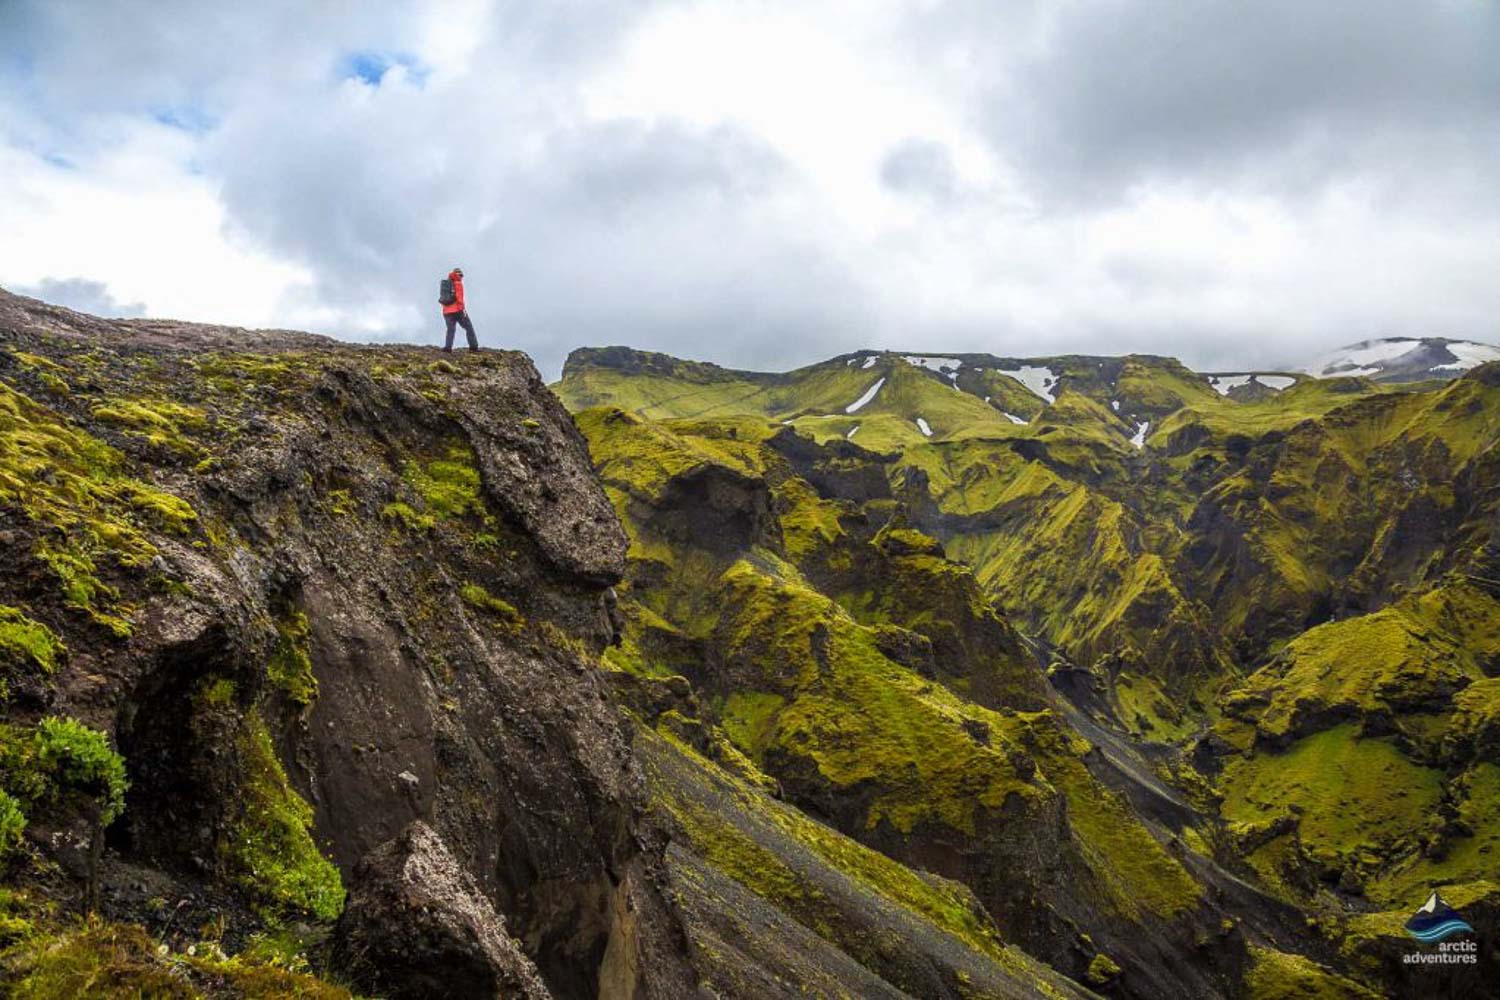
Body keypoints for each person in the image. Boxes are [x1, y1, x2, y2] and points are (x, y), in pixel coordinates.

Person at [441, 266, 479, 352]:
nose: (462, 277)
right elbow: (459, 299)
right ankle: (473, 347)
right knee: (469, 327)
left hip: (446, 312)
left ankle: (448, 348)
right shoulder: (458, 283)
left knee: (450, 330)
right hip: (458, 311)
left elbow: (443, 299)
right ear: (458, 274)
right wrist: (463, 310)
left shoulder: (446, 284)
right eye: (461, 275)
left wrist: (446, 309)